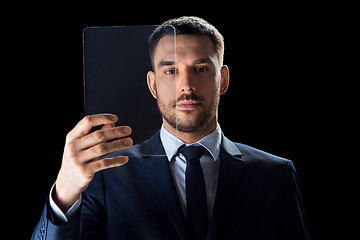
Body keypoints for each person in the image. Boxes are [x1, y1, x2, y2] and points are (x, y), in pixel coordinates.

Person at [32, 16, 309, 240]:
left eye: (200, 68)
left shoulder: (276, 175)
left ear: (223, 80)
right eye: (171, 70)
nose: (185, 85)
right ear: (153, 84)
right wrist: (64, 195)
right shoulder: (106, 175)